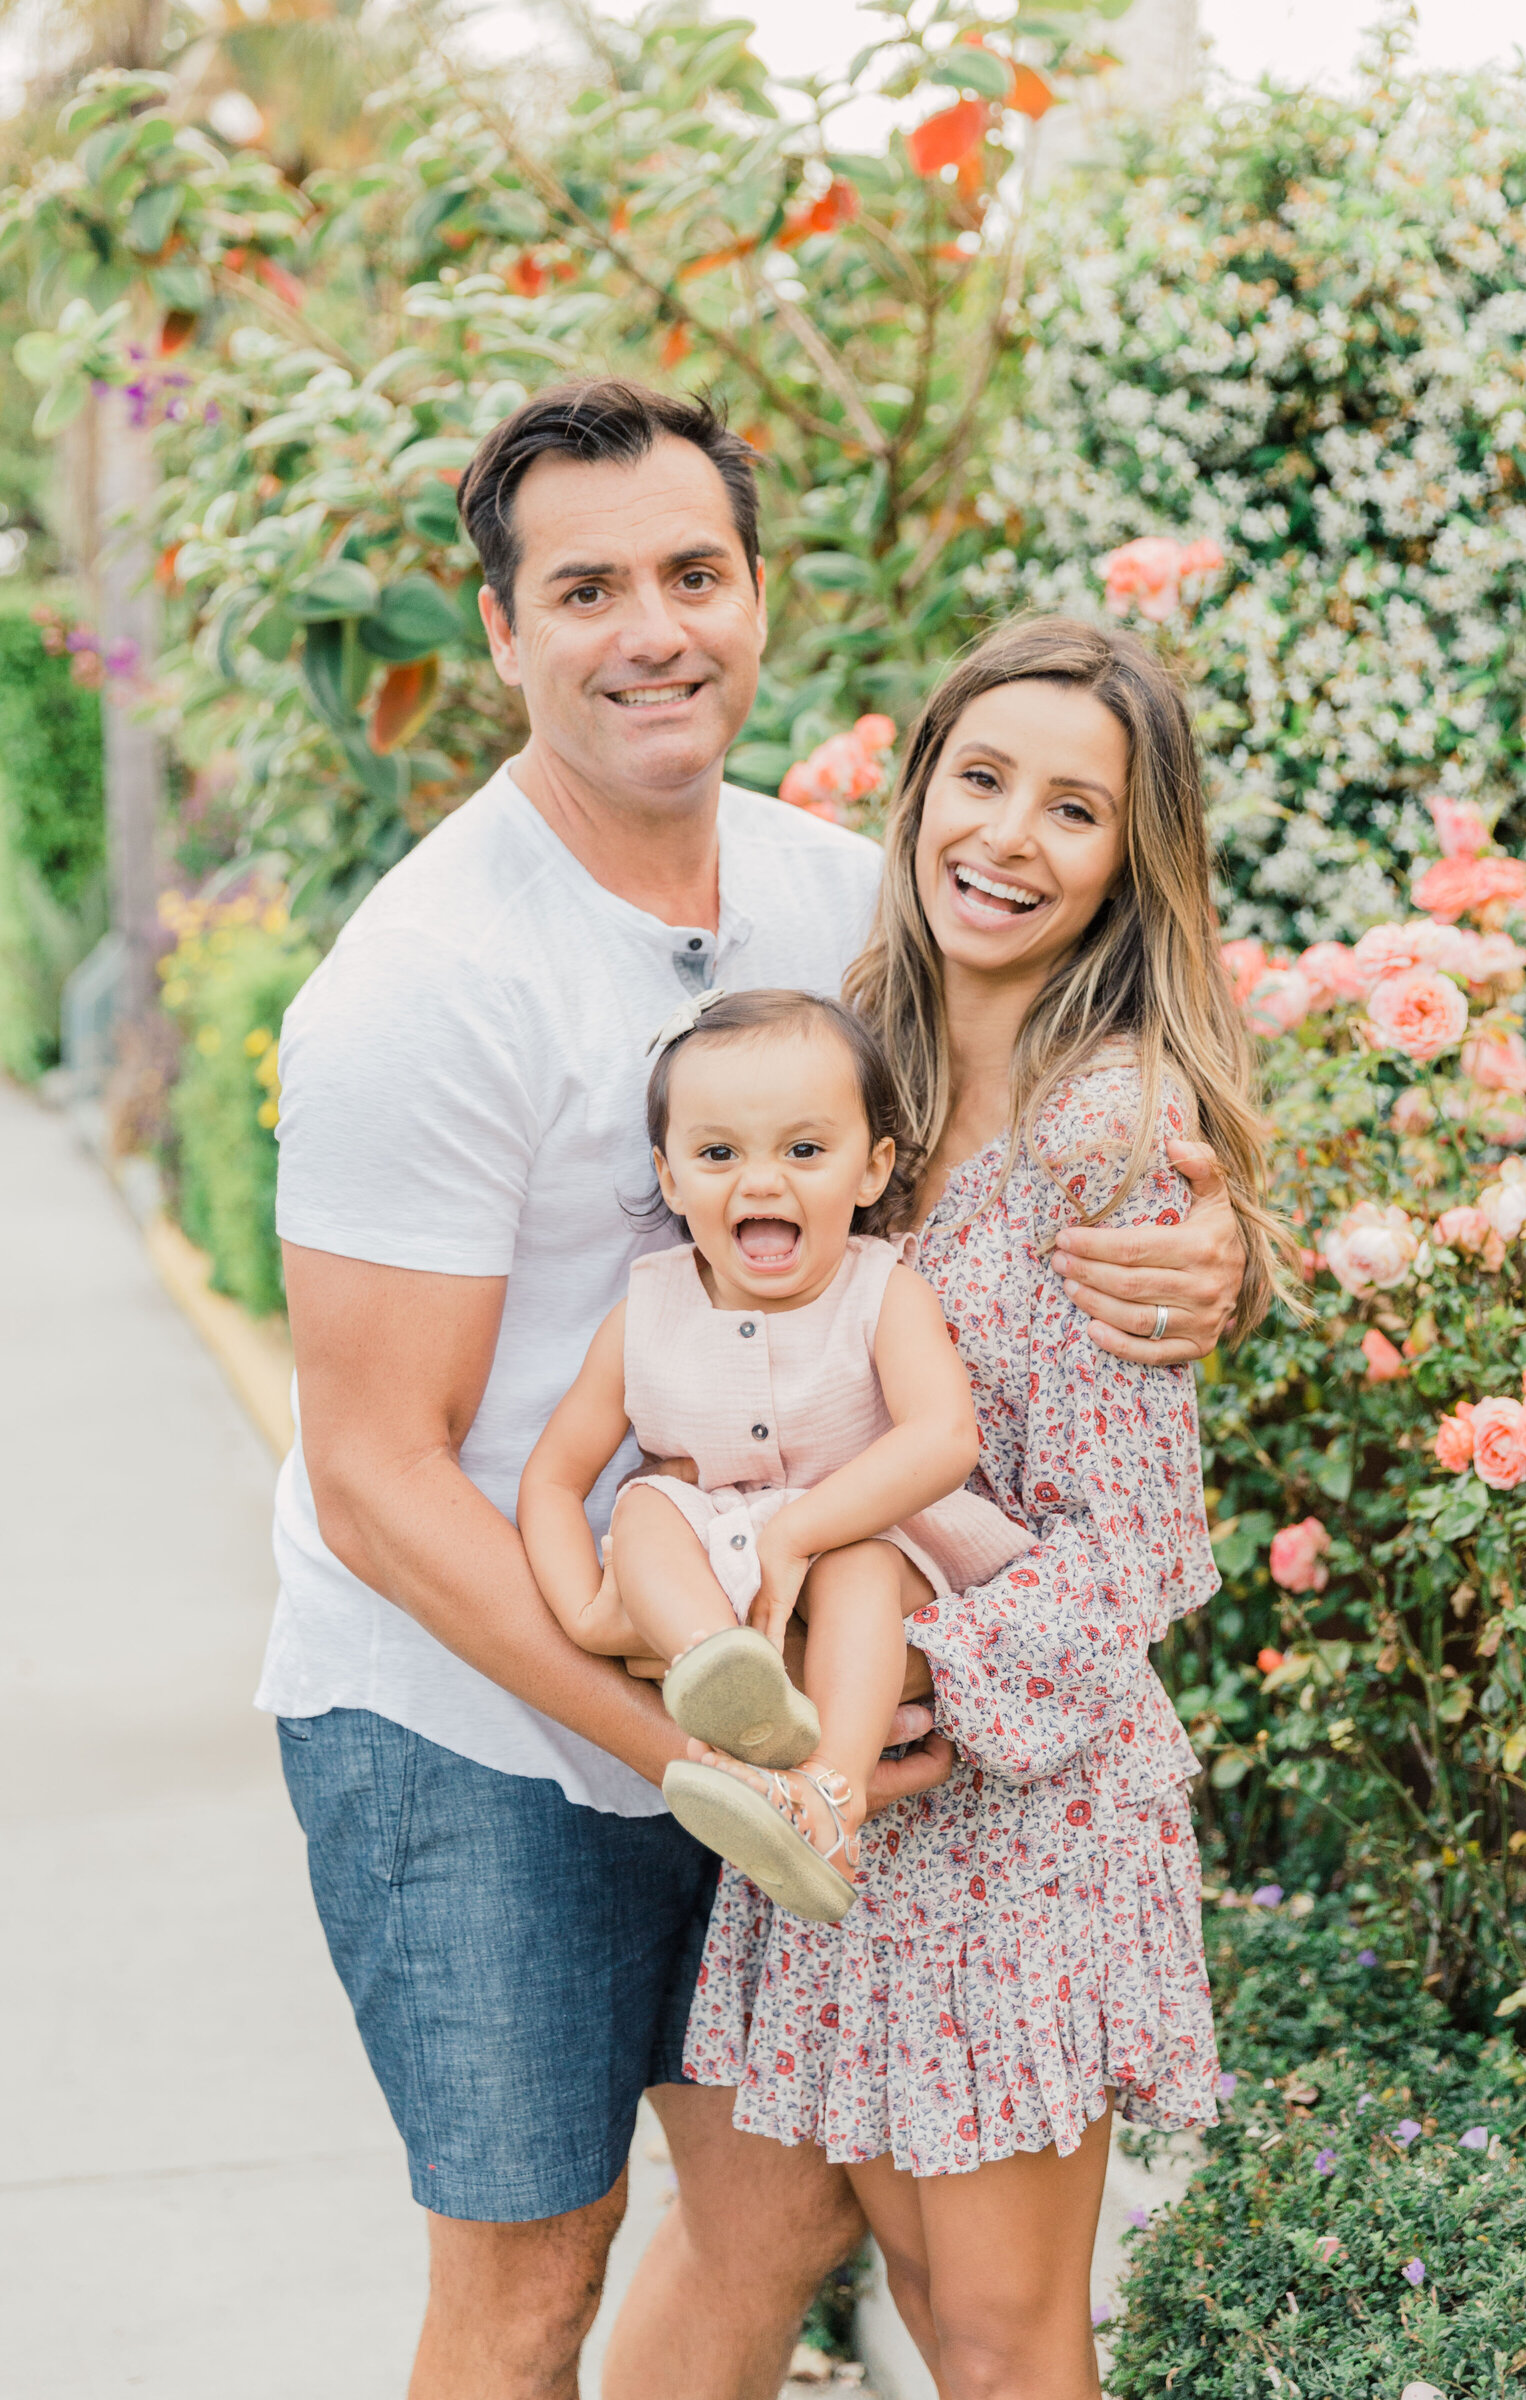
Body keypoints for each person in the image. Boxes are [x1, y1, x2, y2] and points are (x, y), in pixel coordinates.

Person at [256, 375, 1247, 2400]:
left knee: (780, 2221)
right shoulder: (423, 980)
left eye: (694, 572)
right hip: (483, 1720)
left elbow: (1033, 1125)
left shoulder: (833, 908)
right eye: (590, 586)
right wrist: (670, 1724)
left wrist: (1204, 1240)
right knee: (531, 2284)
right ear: (505, 631)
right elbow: (373, 1475)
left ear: (756, 597)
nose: (653, 629)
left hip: (806, 1698)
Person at [681, 616, 1293, 2400]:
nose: (1010, 837)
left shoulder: (1107, 1131)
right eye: (984, 779)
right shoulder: (855, 1076)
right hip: (847, 1803)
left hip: (1014, 1804)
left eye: (1075, 809)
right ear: (922, 790)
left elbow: (1139, 1548)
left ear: (1129, 863)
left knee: (1016, 2336)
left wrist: (911, 1689)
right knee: (937, 2316)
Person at [519, 988, 1028, 1922]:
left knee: (859, 1562)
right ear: (670, 1178)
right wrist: (588, 1616)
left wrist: (801, 1529)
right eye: (718, 1154)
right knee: (644, 1509)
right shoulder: (646, 1318)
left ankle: (831, 1797)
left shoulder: (883, 1290)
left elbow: (943, 1437)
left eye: (804, 1150)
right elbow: (554, 1478)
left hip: (872, 1539)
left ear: (872, 1170)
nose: (760, 1182)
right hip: (718, 1564)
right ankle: (722, 1674)